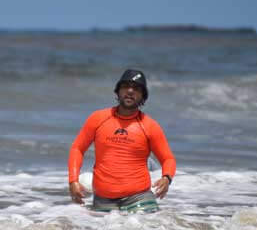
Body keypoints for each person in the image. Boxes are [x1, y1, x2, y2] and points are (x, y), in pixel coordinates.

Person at [68, 69, 176, 213]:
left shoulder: (150, 126)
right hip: (103, 199)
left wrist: (166, 178)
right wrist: (73, 181)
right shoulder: (98, 119)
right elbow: (77, 149)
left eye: (136, 88)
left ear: (143, 95)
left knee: (150, 229)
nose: (130, 91)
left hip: (139, 198)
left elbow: (168, 158)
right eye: (126, 86)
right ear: (118, 91)